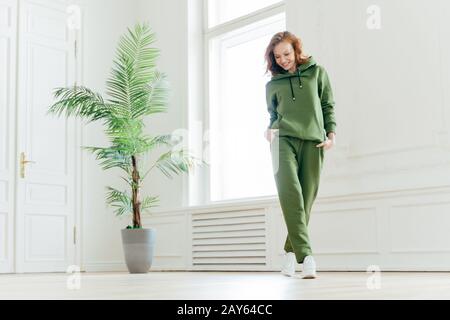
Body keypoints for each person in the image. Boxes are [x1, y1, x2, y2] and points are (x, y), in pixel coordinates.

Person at [264, 31, 337, 279]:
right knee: (291, 194)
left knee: (305, 200)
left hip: (314, 142)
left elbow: (327, 105)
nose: (283, 59)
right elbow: (273, 116)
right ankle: (306, 257)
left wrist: (331, 135)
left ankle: (288, 254)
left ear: (296, 50)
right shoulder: (273, 85)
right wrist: (269, 129)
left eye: (286, 53)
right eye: (278, 56)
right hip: (283, 140)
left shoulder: (317, 73)